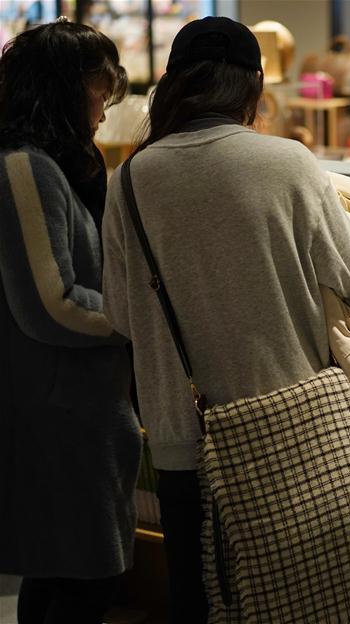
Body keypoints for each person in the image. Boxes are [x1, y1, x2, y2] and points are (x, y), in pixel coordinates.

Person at [101, 17, 350, 623]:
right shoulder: (290, 163)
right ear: (255, 85)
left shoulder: (128, 182)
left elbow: (120, 314)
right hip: (290, 432)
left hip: (182, 440)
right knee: (299, 605)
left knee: (203, 602)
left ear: (172, 85)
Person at [0, 19, 142, 624]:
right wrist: (136, 320)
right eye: (99, 89)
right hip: (57, 415)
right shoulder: (25, 168)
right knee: (78, 579)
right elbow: (50, 303)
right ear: (62, 87)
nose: (105, 110)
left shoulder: (50, 166)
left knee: (59, 574)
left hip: (70, 408)